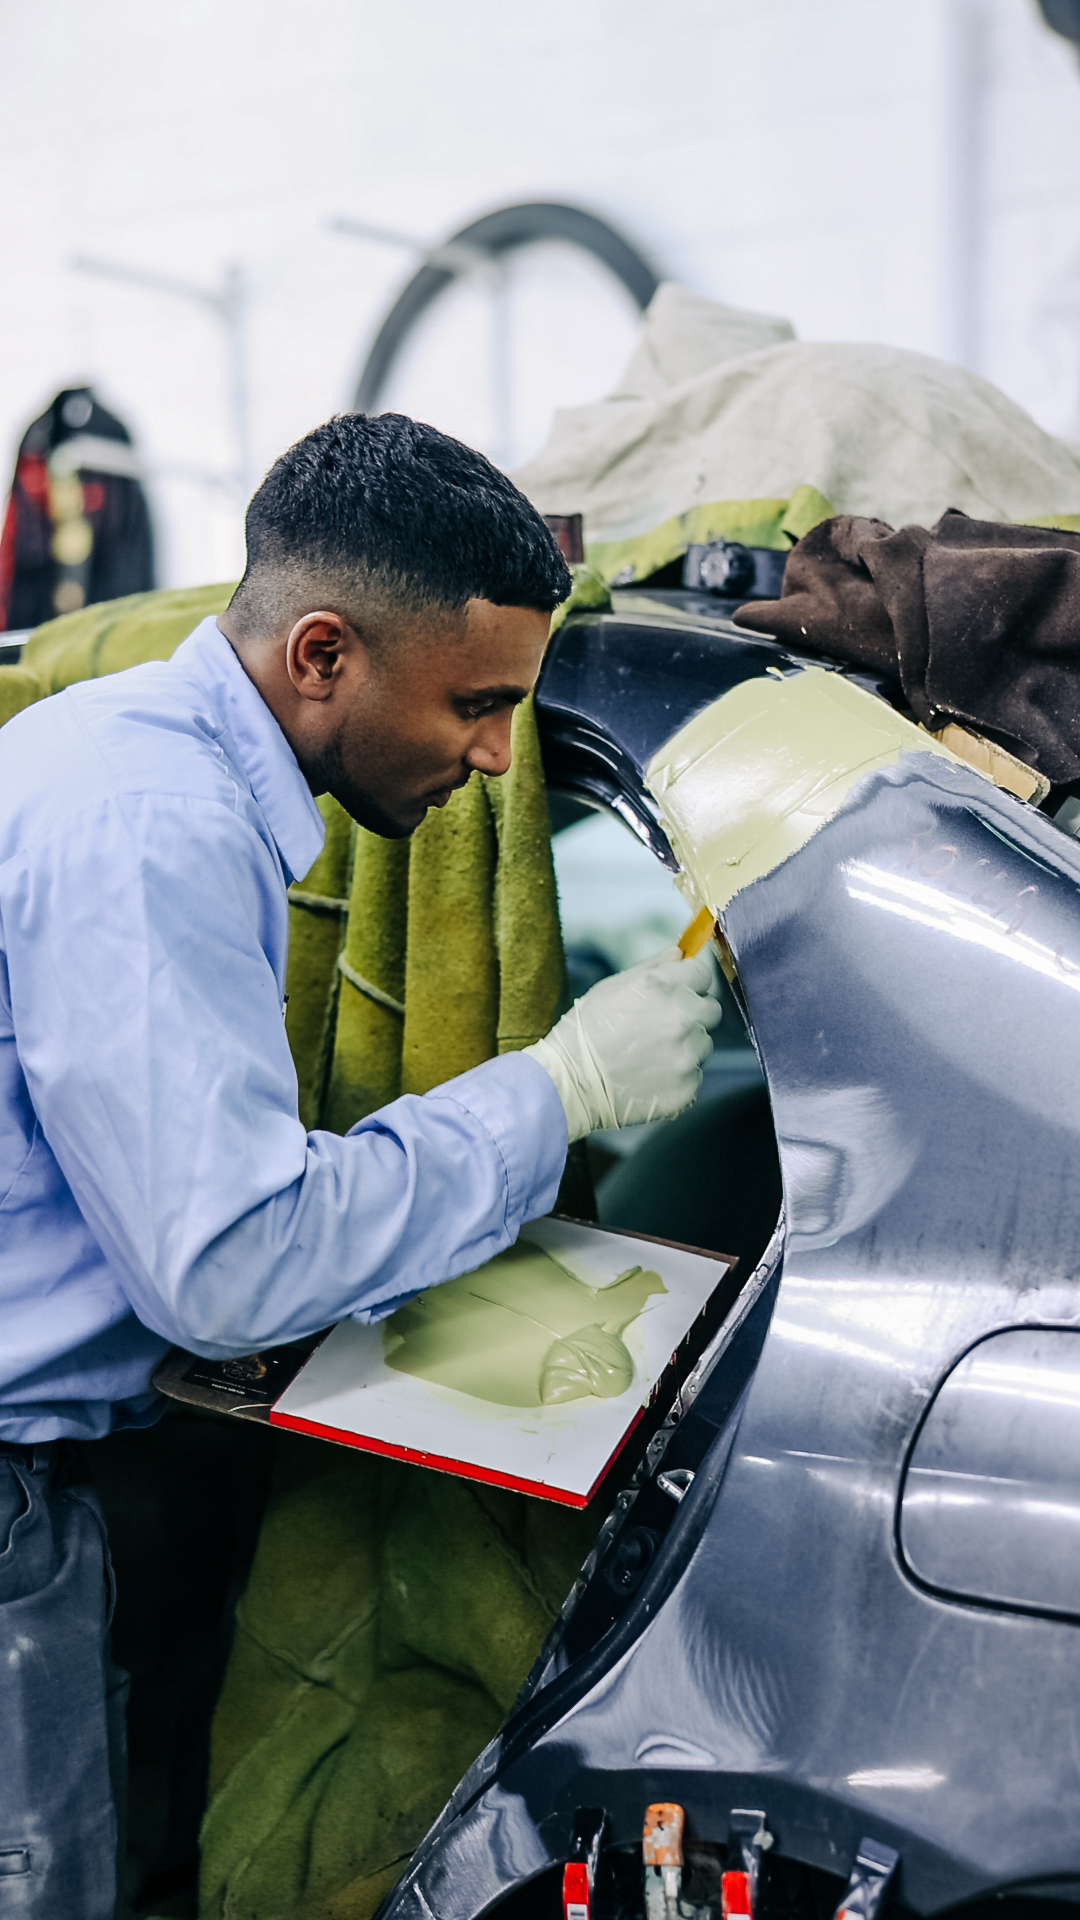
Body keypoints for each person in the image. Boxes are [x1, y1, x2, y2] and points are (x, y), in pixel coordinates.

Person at [0, 412, 721, 1915]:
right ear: (320, 653)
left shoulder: (106, 749)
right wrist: (559, 1090)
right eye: (474, 702)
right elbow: (230, 1262)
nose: (493, 754)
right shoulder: (152, 824)